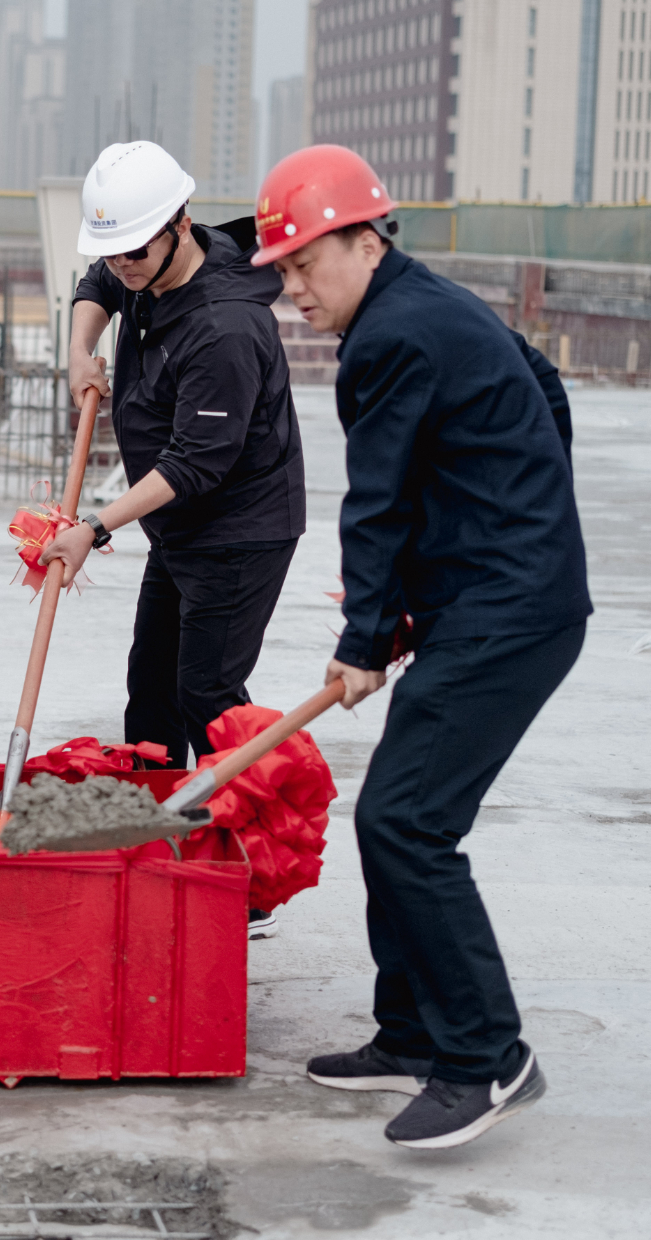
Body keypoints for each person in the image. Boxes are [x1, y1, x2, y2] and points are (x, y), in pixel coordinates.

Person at [256, 145, 589, 1150]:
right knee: (394, 816)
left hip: (506, 614)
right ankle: (409, 1032)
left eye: (306, 263)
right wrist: (514, 510)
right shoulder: (435, 304)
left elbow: (380, 500)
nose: (293, 289)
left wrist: (366, 634)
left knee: (406, 821)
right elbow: (543, 387)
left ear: (366, 242)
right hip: (497, 594)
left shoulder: (389, 337)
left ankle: (486, 1054)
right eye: (283, 270)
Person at [41, 141, 305, 779]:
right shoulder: (140, 264)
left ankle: (242, 818)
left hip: (239, 530)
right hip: (179, 525)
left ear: (180, 225)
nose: (122, 264)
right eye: (113, 249)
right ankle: (152, 811)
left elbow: (194, 462)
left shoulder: (225, 327)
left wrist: (94, 527)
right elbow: (99, 281)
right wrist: (79, 350)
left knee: (207, 693)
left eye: (134, 251)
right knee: (153, 686)